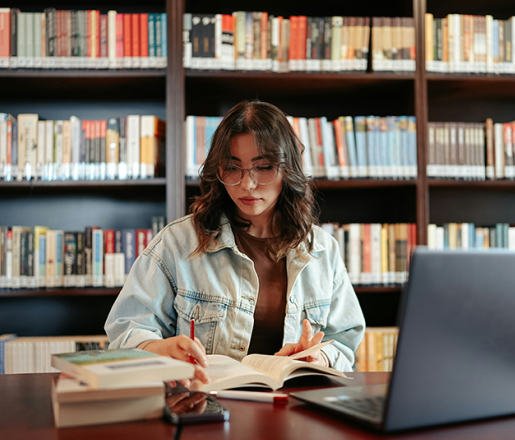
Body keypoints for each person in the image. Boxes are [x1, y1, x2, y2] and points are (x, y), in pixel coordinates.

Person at [105, 100, 365, 384]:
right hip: (208, 408)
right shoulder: (177, 243)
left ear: (288, 169)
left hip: (293, 408)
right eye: (232, 168)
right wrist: (155, 348)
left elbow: (344, 338)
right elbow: (126, 330)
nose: (247, 184)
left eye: (263, 167)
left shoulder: (323, 249)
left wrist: (319, 358)